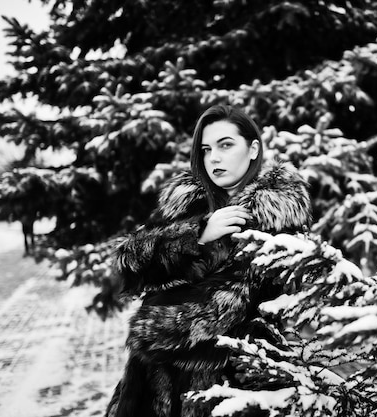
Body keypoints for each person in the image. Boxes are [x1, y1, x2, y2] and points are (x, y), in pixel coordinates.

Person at [106, 104, 312, 417]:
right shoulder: (186, 201)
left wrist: (160, 322)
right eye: (206, 149)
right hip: (151, 383)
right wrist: (198, 235)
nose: (213, 158)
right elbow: (129, 263)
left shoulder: (278, 213)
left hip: (231, 385)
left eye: (226, 145)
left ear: (253, 149)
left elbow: (256, 304)